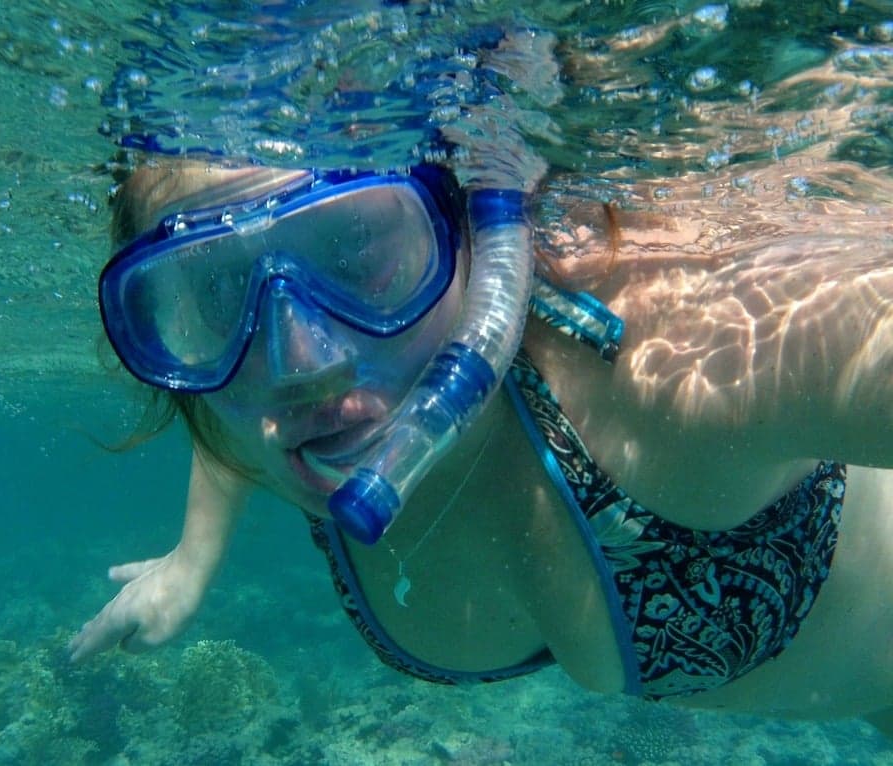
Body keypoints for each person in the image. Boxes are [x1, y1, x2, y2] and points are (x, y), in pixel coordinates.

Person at [69, 149, 893, 736]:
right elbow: (229, 422)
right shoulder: (282, 411)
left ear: (475, 236)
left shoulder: (672, 349)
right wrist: (191, 558)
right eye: (216, 288)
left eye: (356, 247)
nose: (302, 365)